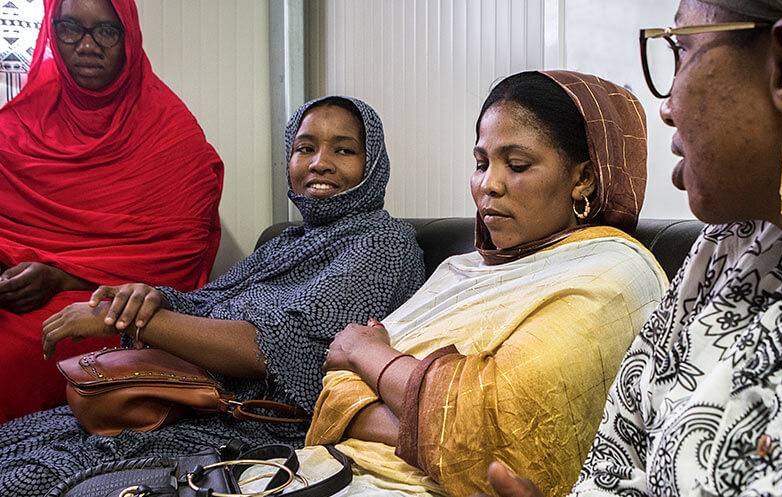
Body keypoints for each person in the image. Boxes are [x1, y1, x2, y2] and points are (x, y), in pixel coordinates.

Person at [481, 0, 782, 496]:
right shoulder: (730, 248)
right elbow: (614, 469)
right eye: (480, 161)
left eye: (684, 51)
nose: (667, 104)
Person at [0, 95, 427, 496]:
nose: (320, 163)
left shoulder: (384, 242)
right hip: (181, 401)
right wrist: (147, 299)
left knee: (32, 479)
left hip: (249, 425)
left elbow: (282, 350)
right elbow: (206, 303)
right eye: (305, 147)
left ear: (373, 164)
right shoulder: (285, 241)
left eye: (344, 150)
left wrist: (140, 321)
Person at [298, 70, 668, 496]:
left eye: (517, 165)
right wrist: (431, 419)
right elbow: (337, 383)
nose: (488, 185)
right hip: (323, 475)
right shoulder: (462, 269)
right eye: (480, 163)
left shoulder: (613, 276)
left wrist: (369, 353)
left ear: (583, 177)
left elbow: (498, 438)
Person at [0, 0, 224, 421]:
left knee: (8, 359)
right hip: (13, 291)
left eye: (105, 32)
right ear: (51, 31)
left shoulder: (170, 132)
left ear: (129, 38)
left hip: (104, 300)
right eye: (70, 29)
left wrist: (59, 275)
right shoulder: (21, 119)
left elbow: (178, 255)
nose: (87, 46)